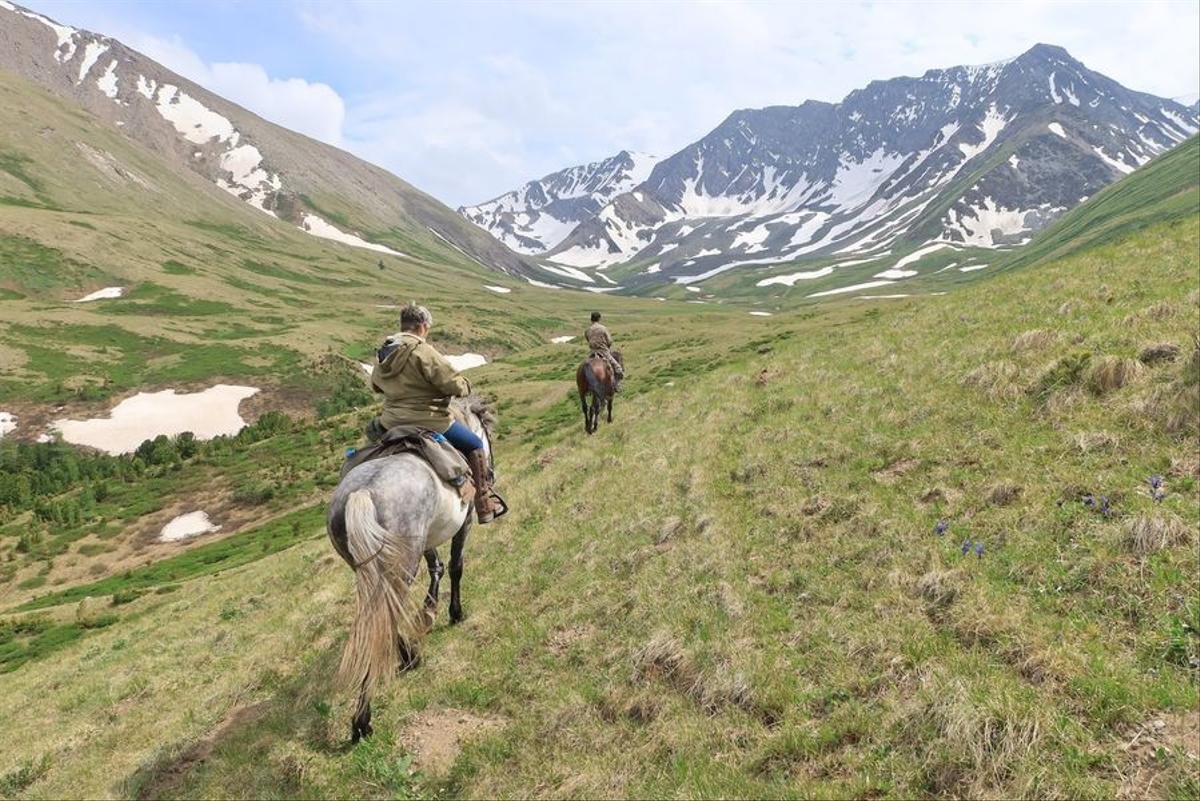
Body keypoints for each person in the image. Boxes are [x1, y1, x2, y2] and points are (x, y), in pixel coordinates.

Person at [370, 303, 498, 523]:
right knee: (475, 444)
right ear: (422, 327)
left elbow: (376, 386)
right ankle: (484, 504)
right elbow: (453, 384)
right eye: (427, 328)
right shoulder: (423, 351)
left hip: (390, 422)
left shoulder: (386, 352)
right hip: (429, 420)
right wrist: (464, 386)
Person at [585, 311, 624, 391]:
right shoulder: (603, 328)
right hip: (603, 352)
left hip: (592, 352)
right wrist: (607, 346)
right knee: (618, 368)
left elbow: (588, 339)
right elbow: (609, 341)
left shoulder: (587, 330)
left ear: (591, 319)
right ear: (599, 318)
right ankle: (617, 386)